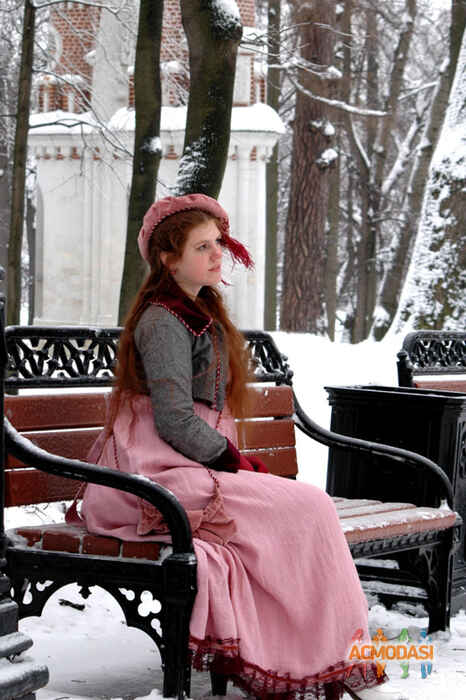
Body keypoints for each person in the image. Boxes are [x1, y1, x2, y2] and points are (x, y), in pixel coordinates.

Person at [71, 194, 408, 700]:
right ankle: (301, 654)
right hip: (151, 476)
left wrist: (234, 462)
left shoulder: (197, 312)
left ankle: (316, 651)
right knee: (309, 506)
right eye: (202, 247)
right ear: (168, 259)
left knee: (306, 508)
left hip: (186, 465)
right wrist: (235, 461)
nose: (217, 255)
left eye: (218, 244)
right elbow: (175, 421)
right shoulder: (162, 320)